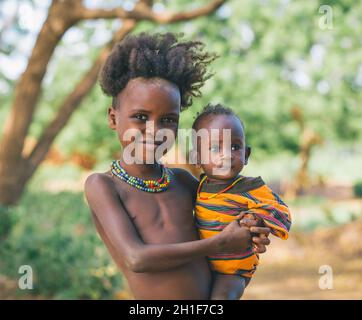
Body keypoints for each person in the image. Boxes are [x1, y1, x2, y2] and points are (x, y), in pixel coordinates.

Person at [84, 33, 272, 299]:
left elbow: (227, 219)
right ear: (113, 118)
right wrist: (220, 243)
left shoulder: (184, 182)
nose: (155, 130)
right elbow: (136, 258)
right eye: (140, 117)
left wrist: (252, 229)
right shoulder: (103, 186)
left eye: (168, 120)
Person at [191, 103, 292, 299]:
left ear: (246, 155)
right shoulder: (198, 187)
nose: (226, 154)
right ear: (197, 158)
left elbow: (283, 212)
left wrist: (259, 220)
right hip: (202, 265)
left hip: (232, 271)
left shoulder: (250, 187)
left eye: (234, 146)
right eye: (213, 147)